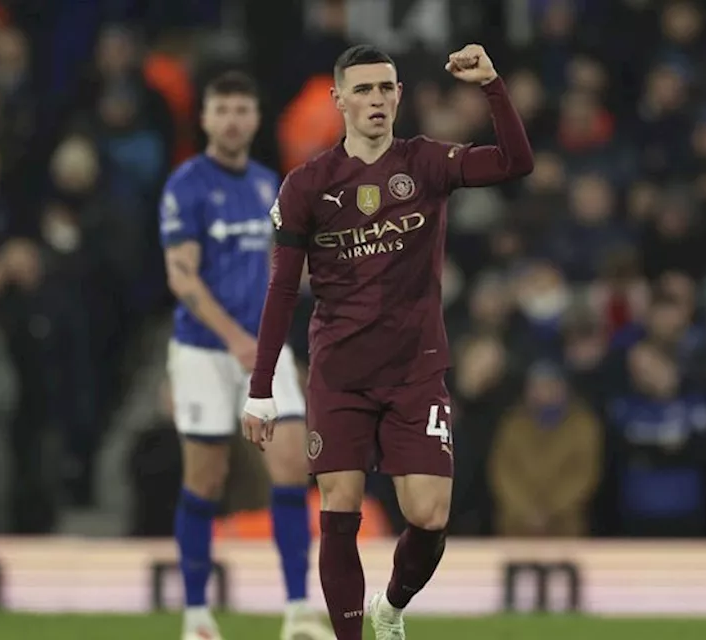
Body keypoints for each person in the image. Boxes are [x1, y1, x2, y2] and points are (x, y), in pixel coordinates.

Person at [241, 44, 533, 640]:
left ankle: (391, 607)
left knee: (428, 517)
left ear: (399, 95)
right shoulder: (308, 186)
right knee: (339, 510)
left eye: (386, 88)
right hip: (340, 372)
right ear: (339, 99)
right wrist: (261, 387)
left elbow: (515, 162)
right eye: (364, 89)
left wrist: (492, 86)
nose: (376, 100)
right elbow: (281, 291)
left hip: (415, 371)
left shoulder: (425, 163)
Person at [158, 71, 331, 640]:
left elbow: (288, 271)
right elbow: (181, 277)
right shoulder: (186, 185)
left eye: (242, 109)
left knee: (291, 465)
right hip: (206, 350)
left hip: (265, 348)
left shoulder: (269, 187)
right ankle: (197, 616)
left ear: (255, 119)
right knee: (205, 479)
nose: (232, 119)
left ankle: (299, 610)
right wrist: (235, 338)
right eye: (222, 109)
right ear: (205, 118)